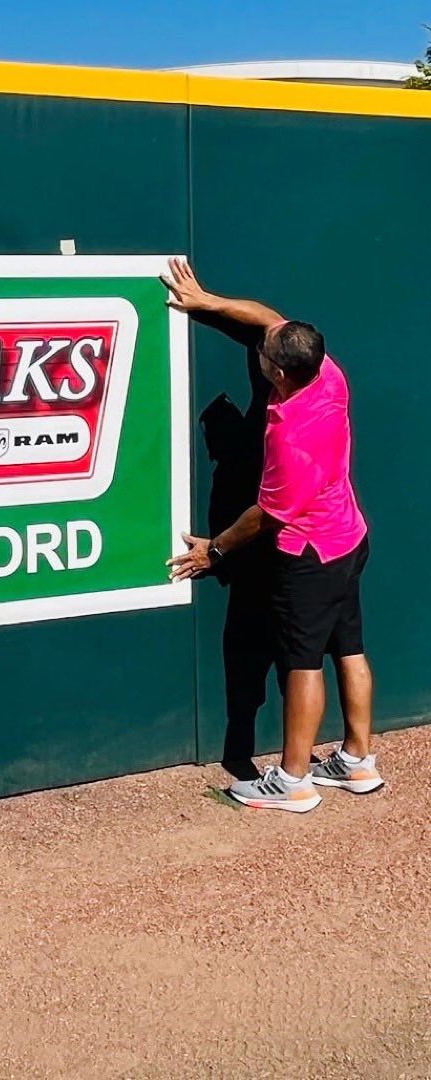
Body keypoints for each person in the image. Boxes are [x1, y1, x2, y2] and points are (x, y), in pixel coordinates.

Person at [162, 259, 384, 813]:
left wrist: (213, 551)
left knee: (302, 662)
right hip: (348, 540)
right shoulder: (326, 373)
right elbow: (269, 321)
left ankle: (292, 780)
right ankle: (358, 763)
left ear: (278, 375)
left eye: (263, 358)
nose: (258, 355)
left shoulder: (290, 438)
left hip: (309, 556)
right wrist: (206, 301)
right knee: (350, 649)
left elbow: (266, 515)